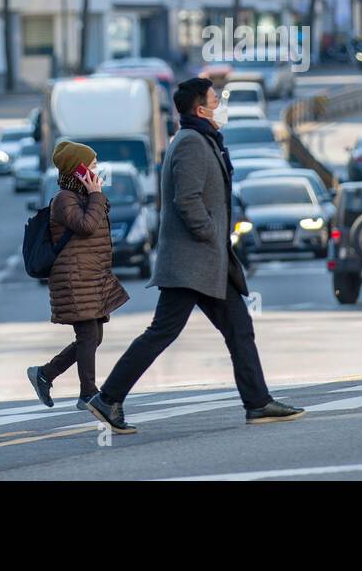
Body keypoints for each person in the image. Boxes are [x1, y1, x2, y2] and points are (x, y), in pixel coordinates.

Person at [85, 78, 304, 434]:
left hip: (206, 262)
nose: (221, 102)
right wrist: (211, 235)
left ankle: (258, 402)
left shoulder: (201, 138)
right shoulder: (190, 143)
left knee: (238, 328)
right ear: (200, 108)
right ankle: (109, 397)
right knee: (162, 332)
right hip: (191, 263)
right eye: (215, 98)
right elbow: (186, 200)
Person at [26, 141, 130, 410]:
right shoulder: (64, 200)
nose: (97, 171)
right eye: (92, 166)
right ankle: (87, 393)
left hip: (90, 278)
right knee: (88, 335)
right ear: (78, 170)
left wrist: (94, 195)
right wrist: (96, 195)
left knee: (94, 336)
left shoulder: (82, 197)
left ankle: (45, 374)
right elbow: (85, 226)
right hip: (74, 280)